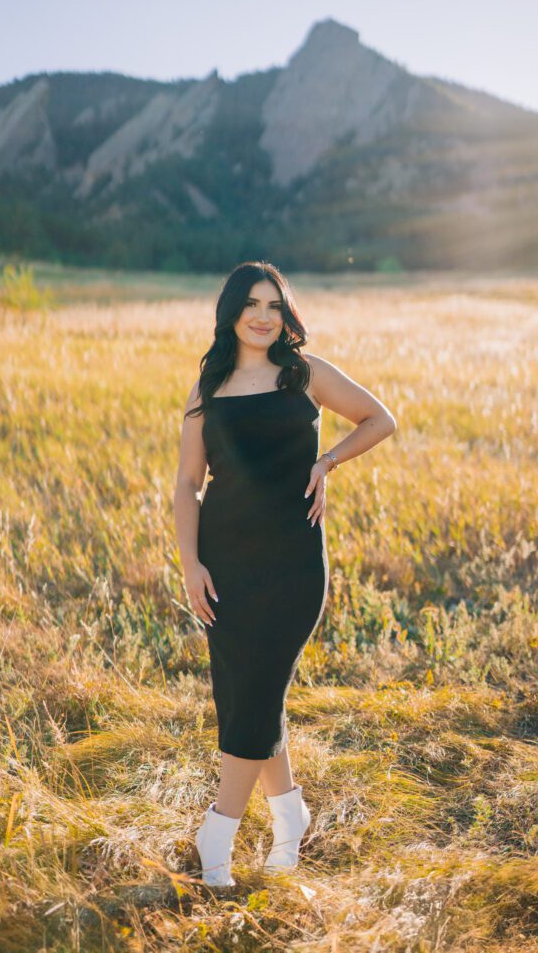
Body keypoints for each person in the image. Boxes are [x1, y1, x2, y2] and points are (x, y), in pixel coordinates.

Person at [173, 261, 397, 886]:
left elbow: (381, 419)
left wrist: (328, 460)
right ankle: (289, 814)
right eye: (251, 303)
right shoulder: (208, 388)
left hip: (294, 565)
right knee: (244, 693)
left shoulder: (305, 374)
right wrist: (190, 564)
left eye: (274, 304)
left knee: (258, 689)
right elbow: (188, 485)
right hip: (224, 565)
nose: (263, 315)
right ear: (231, 312)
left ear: (286, 312)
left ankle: (216, 830)